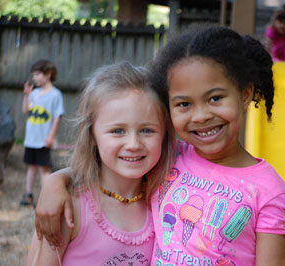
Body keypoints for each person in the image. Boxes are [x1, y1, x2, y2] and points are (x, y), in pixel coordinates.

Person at [34, 26, 285, 265]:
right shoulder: (172, 158)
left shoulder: (269, 193)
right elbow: (110, 164)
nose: (200, 116)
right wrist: (54, 182)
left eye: (215, 98)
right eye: (184, 104)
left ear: (245, 94)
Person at [27, 62, 176, 265]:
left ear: (165, 134)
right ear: (92, 136)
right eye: (117, 131)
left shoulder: (167, 202)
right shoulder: (70, 209)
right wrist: (55, 180)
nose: (133, 144)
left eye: (147, 130)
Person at [20, 59, 64, 206]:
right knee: (31, 167)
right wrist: (26, 95)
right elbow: (26, 110)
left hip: (43, 140)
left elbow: (58, 116)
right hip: (31, 139)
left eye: (38, 74)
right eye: (33, 75)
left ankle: (45, 197)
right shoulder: (34, 93)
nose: (35, 78)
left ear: (48, 74)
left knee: (43, 169)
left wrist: (51, 136)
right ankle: (28, 194)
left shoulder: (55, 95)